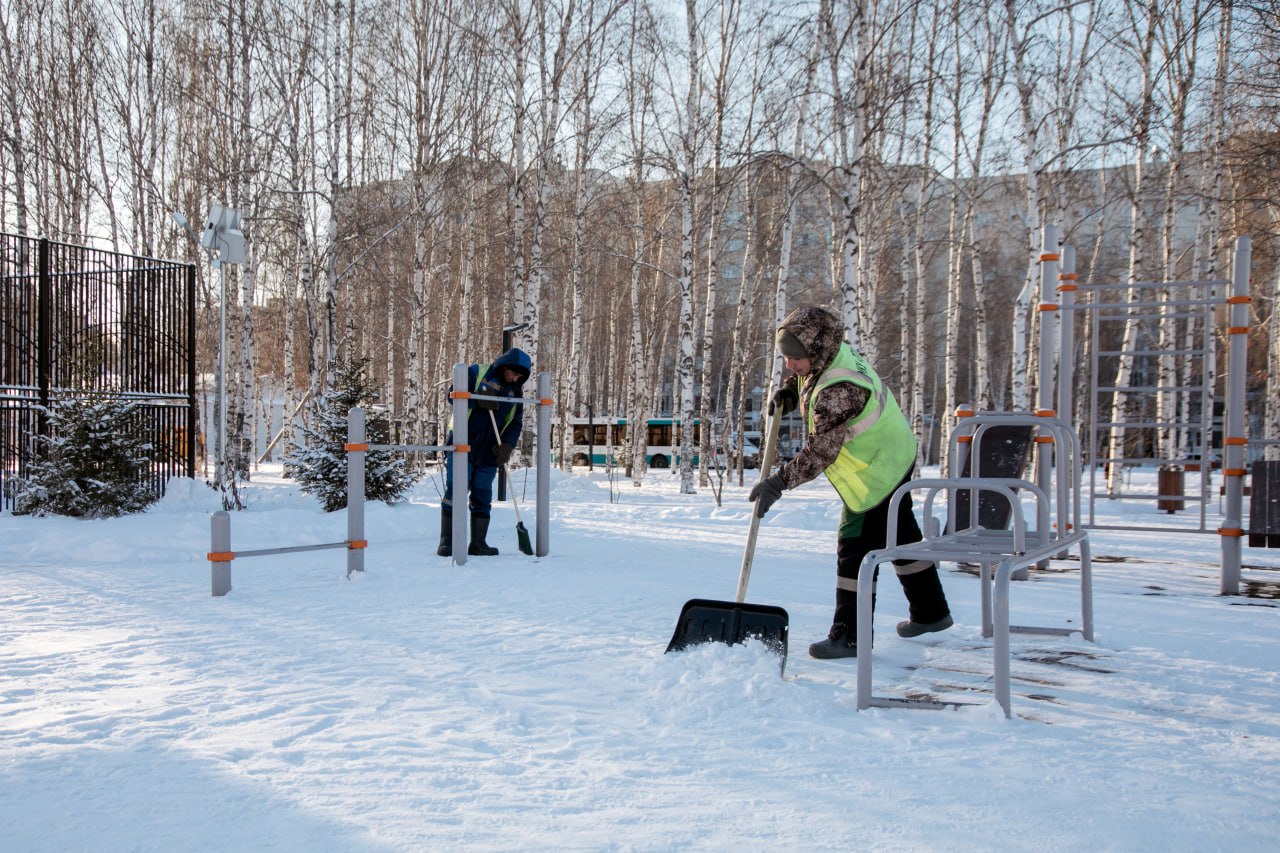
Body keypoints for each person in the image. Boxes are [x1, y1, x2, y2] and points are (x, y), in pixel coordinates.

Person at [748, 306, 952, 659]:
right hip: (894, 451)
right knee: (899, 533)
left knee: (854, 547)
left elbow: (820, 452)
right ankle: (931, 611)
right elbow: (808, 377)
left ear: (817, 351)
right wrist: (791, 391)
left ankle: (850, 636)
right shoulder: (830, 355)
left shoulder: (840, 387)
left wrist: (778, 483)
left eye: (795, 359)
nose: (790, 365)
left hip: (878, 469)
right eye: (786, 358)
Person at [438, 347, 532, 557]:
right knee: (456, 491)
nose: (516, 379)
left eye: (520, 377)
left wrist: (507, 445)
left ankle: (478, 543)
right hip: (463, 444)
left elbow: (516, 423)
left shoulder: (515, 390)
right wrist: (478, 400)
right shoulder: (475, 373)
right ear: (504, 366)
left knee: (482, 493)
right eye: (514, 374)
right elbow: (453, 396)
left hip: (491, 450)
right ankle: (447, 542)